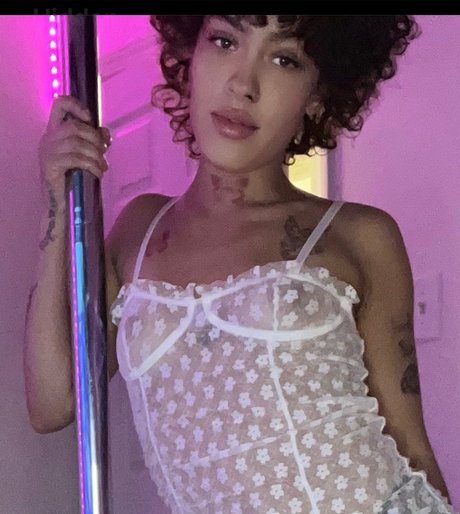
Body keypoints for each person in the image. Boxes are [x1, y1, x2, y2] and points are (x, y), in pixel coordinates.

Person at [24, 14, 457, 514]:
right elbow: (53, 401)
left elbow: (411, 446)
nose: (243, 84)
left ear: (317, 95)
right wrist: (57, 197)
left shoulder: (359, 235)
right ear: (189, 56)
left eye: (284, 59)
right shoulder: (138, 232)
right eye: (225, 41)